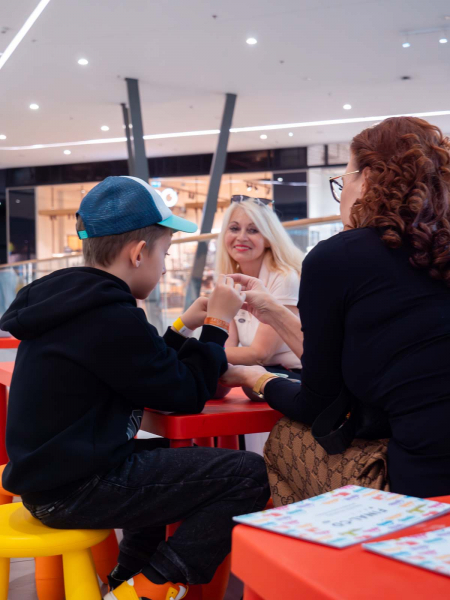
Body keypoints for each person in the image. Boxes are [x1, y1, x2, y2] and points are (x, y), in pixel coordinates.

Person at [0, 176, 270, 600]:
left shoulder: (76, 300)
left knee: (164, 463)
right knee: (249, 475)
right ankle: (150, 587)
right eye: (164, 252)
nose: (164, 266)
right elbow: (183, 392)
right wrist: (218, 324)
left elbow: (147, 367)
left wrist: (184, 325)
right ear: (139, 253)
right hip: (77, 489)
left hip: (50, 481)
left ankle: (126, 577)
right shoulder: (109, 314)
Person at [220, 116, 450, 500]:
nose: (341, 195)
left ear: (369, 179)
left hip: (424, 490)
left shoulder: (337, 258)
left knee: (286, 439)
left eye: (343, 181)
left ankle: (324, 539)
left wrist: (258, 380)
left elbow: (319, 403)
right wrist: (275, 312)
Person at [216, 195, 303, 379]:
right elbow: (227, 345)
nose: (241, 237)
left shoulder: (285, 277)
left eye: (253, 230)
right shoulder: (230, 279)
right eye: (234, 228)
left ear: (269, 238)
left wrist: (198, 352)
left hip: (293, 375)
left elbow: (260, 354)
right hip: (260, 374)